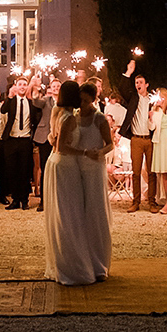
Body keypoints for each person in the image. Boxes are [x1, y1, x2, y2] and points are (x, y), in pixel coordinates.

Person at [45, 81, 113, 285]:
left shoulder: (99, 118)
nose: (81, 105)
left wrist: (98, 153)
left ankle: (98, 263)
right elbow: (59, 141)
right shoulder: (71, 116)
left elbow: (109, 143)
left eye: (85, 101)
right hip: (74, 168)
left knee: (95, 213)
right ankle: (81, 260)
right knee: (76, 215)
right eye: (79, 100)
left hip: (92, 168)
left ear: (93, 100)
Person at [120, 68, 159, 213]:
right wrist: (128, 72)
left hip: (150, 140)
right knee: (136, 173)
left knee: (151, 172)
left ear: (147, 84)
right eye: (136, 82)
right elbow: (122, 88)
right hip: (136, 139)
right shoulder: (133, 98)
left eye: (140, 82)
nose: (138, 85)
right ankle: (135, 202)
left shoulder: (153, 101)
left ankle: (152, 202)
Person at [0, 76, 38, 210]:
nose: (22, 86)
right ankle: (15, 200)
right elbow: (3, 110)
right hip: (11, 140)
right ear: (16, 86)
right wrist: (9, 96)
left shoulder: (30, 102)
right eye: (20, 84)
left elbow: (36, 119)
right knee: (12, 171)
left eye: (24, 84)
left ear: (27, 87)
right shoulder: (12, 101)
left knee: (24, 171)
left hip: (25, 140)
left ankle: (24, 200)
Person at [33, 78, 59, 211]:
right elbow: (36, 101)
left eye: (58, 86)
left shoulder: (65, 102)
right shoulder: (46, 100)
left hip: (59, 140)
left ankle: (57, 201)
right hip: (44, 138)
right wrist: (36, 89)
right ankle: (43, 201)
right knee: (45, 168)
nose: (56, 88)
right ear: (50, 87)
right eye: (53, 86)